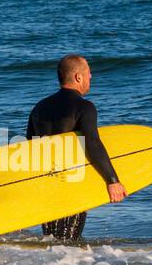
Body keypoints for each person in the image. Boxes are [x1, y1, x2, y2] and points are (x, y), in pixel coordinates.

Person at [26, 54, 127, 240]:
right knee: (69, 241)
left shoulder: (38, 108)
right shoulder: (84, 107)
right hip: (73, 184)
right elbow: (93, 144)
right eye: (88, 73)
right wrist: (113, 180)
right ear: (78, 77)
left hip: (46, 185)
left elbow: (30, 149)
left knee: (50, 240)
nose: (91, 77)